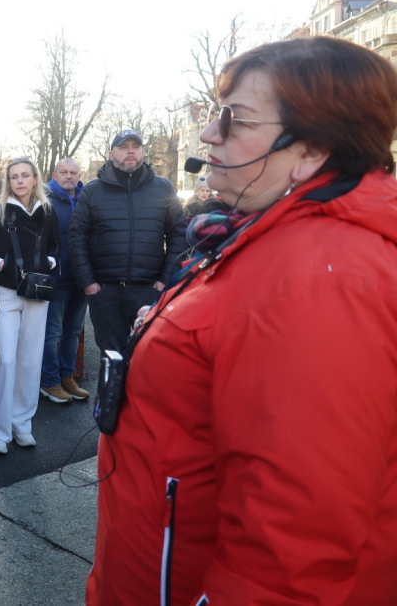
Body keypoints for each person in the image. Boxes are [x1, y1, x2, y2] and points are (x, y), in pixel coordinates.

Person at [86, 36, 397, 605]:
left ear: (311, 150)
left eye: (233, 120)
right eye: (213, 114)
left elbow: (291, 553)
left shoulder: (319, 280)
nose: (209, 135)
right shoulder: (274, 235)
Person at [68, 129, 187, 354]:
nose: (130, 152)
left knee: (151, 356)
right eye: (123, 147)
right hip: (105, 292)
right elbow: (77, 236)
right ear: (112, 154)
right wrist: (89, 284)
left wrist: (164, 280)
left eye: (135, 147)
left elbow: (178, 234)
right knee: (111, 359)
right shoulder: (93, 190)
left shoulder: (163, 188)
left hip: (150, 290)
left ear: (142, 151)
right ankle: (110, 391)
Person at [0, 157, 59, 455]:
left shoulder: (47, 212)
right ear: (9, 182)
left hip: (38, 293)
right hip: (7, 293)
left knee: (30, 360)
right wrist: (0, 263)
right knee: (8, 360)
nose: (20, 181)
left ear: (35, 179)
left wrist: (49, 262)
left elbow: (56, 246)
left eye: (25, 175)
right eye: (14, 177)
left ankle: (22, 423)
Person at [39, 157, 90, 403]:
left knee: (73, 332)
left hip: (81, 278)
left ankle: (67, 376)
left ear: (79, 175)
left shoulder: (86, 199)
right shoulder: (45, 199)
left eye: (73, 172)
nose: (69, 176)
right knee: (53, 334)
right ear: (55, 174)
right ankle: (50, 382)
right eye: (64, 172)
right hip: (55, 279)